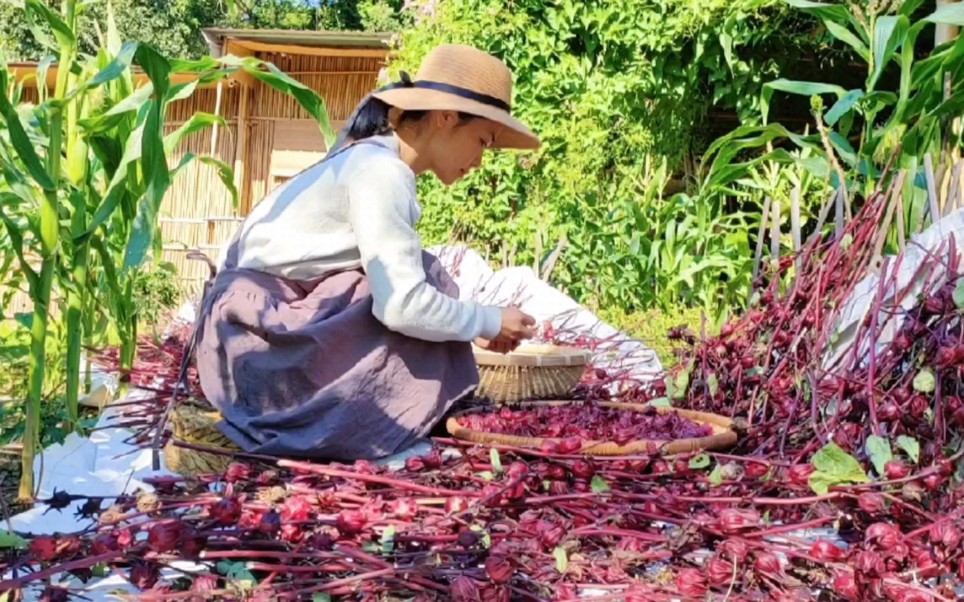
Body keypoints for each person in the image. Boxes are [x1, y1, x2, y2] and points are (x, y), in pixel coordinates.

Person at [194, 44, 540, 461]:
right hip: (252, 351)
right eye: (482, 141)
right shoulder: (381, 172)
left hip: (240, 344)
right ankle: (366, 425)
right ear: (447, 117)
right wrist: (486, 318)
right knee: (420, 282)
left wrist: (475, 325)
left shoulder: (373, 161)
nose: (480, 160)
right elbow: (402, 305)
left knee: (410, 273)